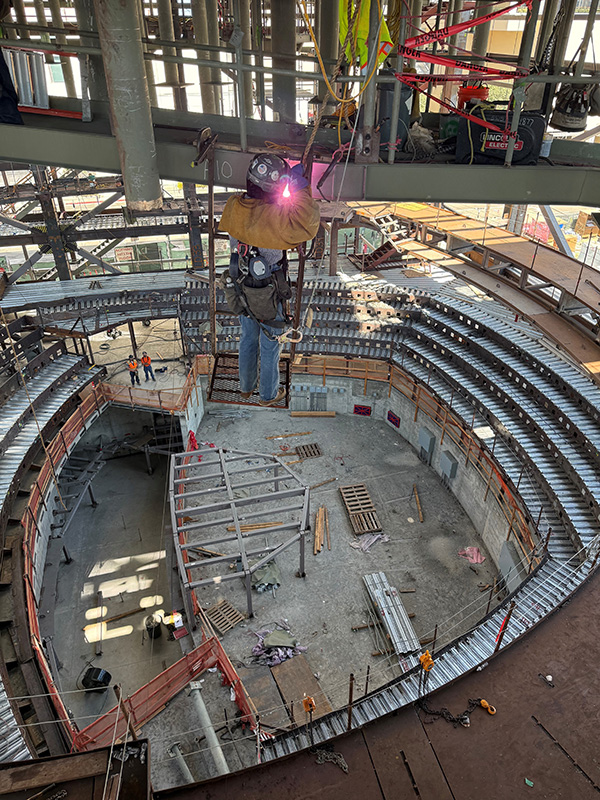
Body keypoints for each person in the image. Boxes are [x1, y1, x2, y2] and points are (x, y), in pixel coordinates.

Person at [218, 153, 320, 406]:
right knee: (271, 341)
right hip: (267, 290)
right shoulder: (278, 220)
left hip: (240, 282)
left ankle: (245, 387)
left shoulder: (234, 205)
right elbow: (308, 223)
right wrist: (301, 188)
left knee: (248, 337)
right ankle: (267, 394)